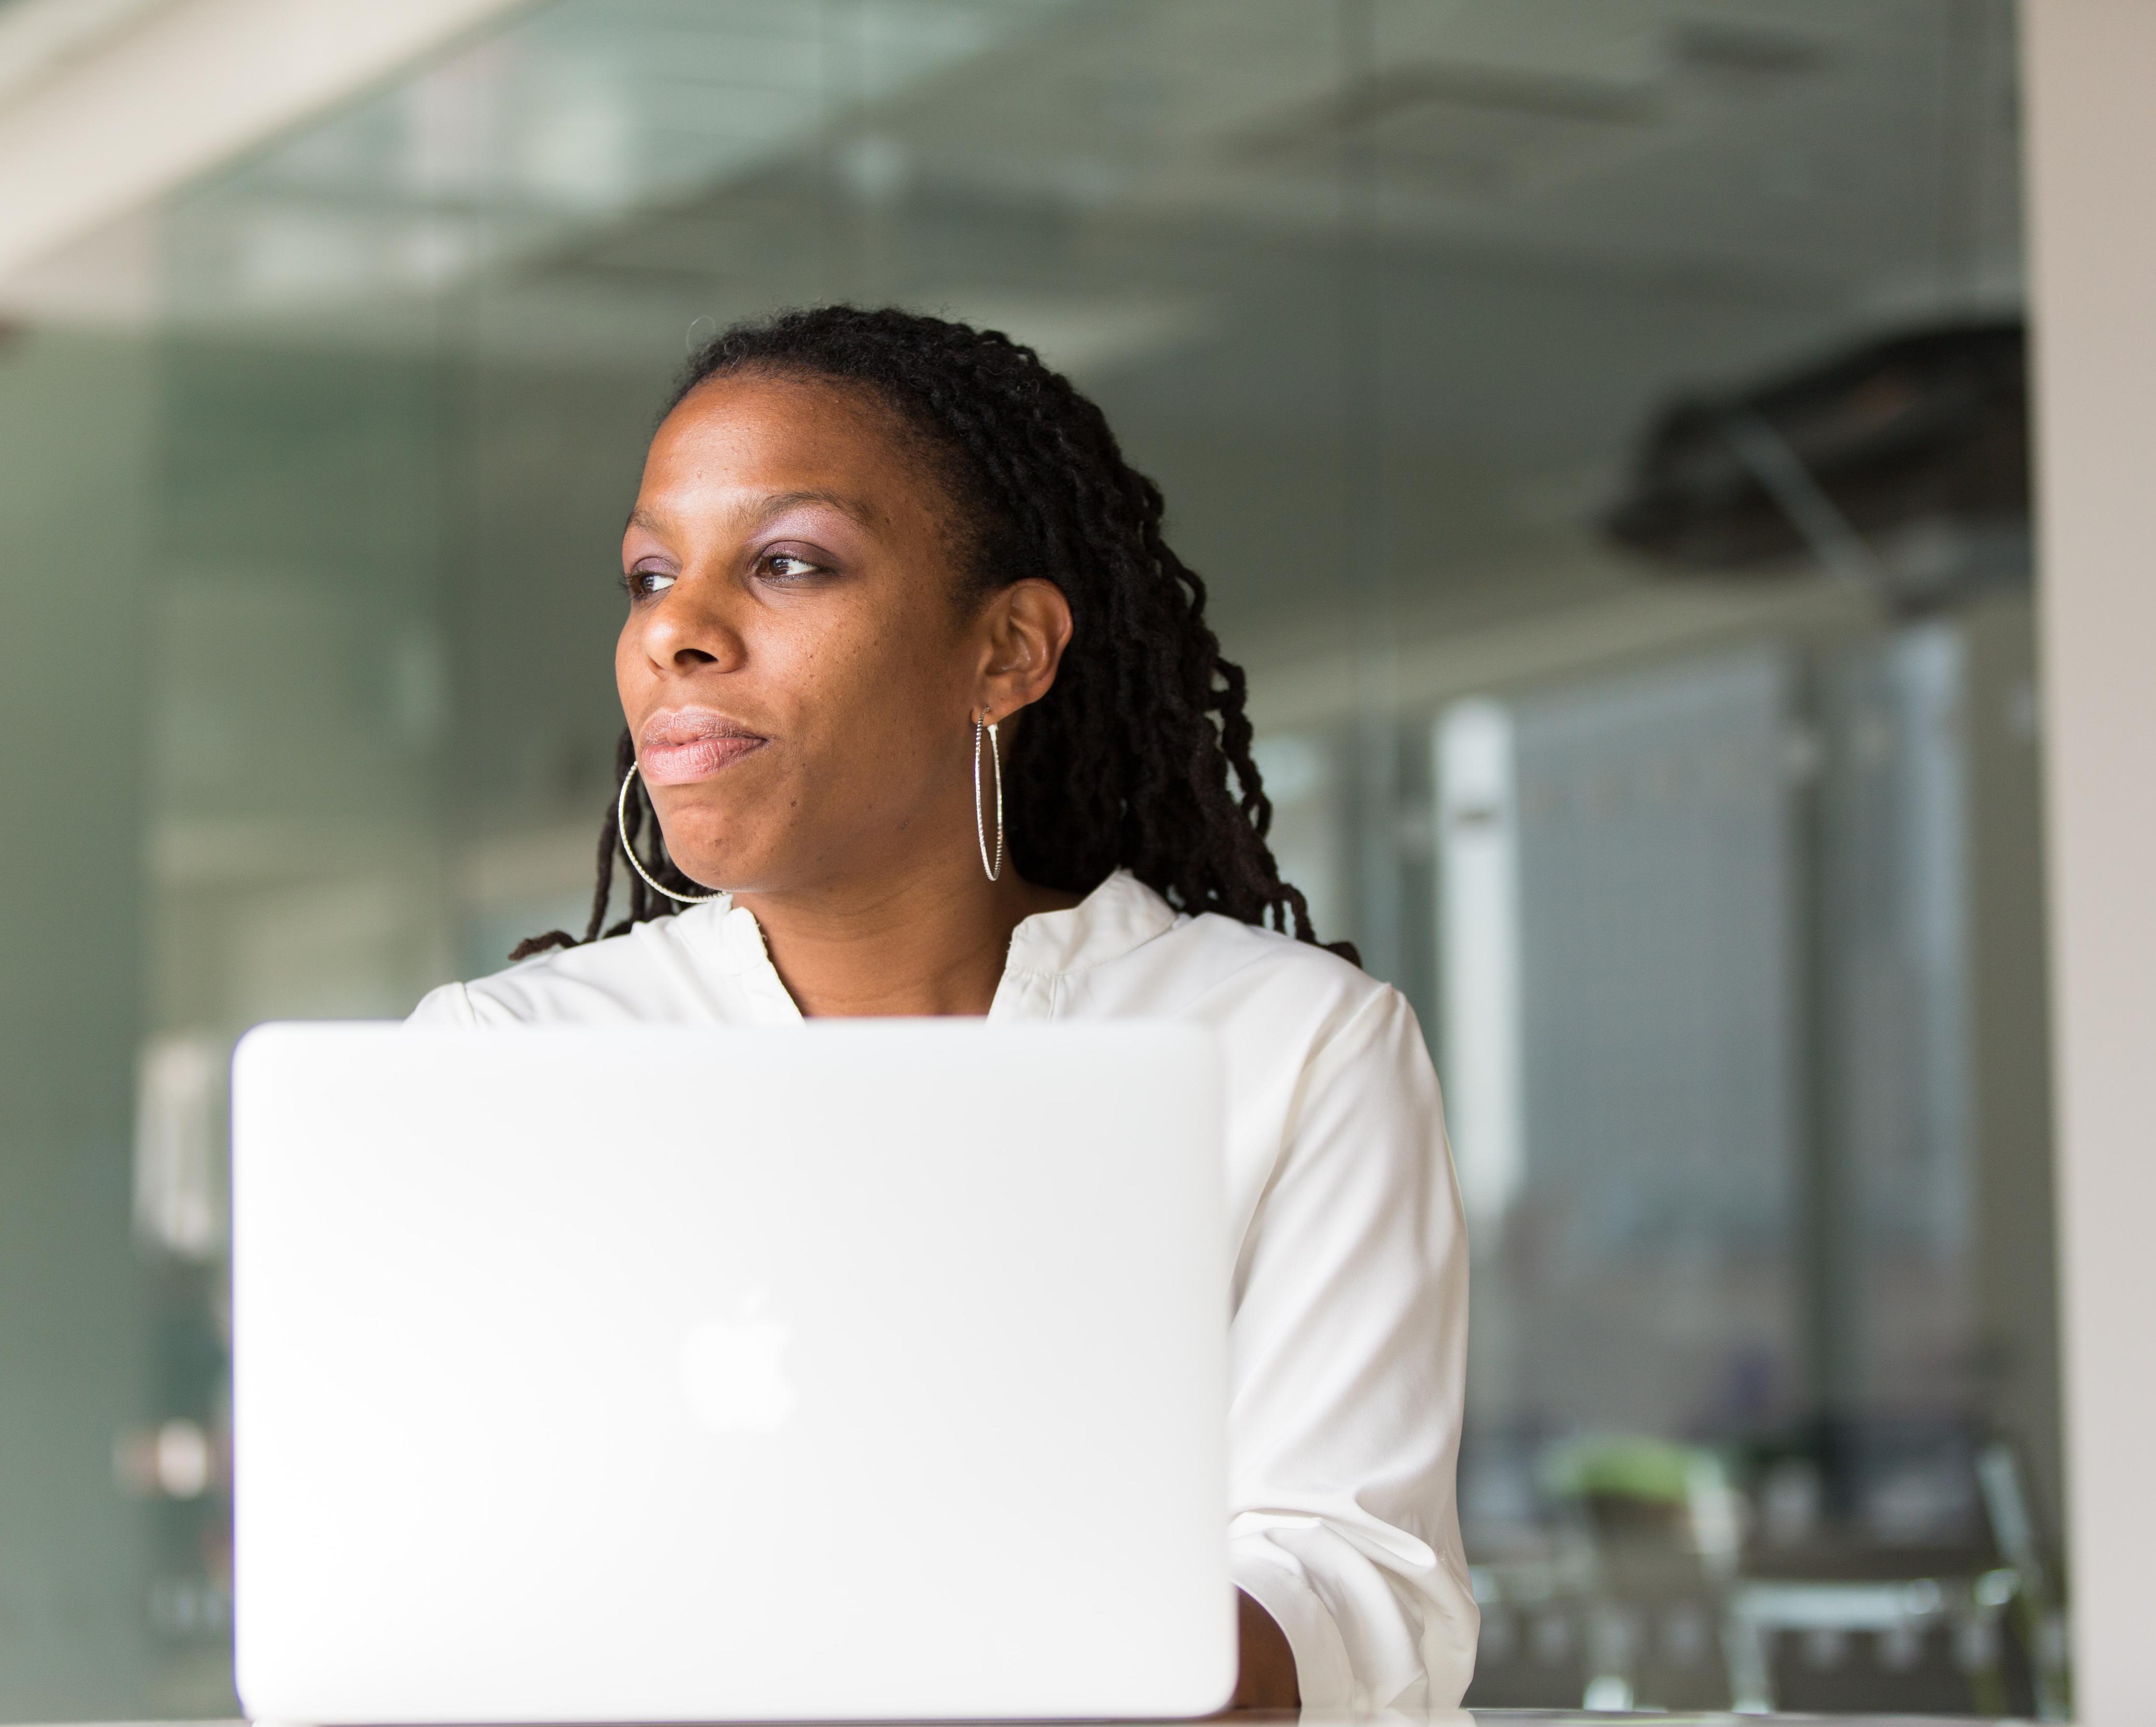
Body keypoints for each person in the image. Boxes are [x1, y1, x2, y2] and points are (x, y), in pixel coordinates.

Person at [411, 306, 1475, 1714]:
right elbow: (421, 1578)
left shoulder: (1286, 1048)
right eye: (649, 573)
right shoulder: (505, 1065)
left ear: (1009, 650)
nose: (675, 627)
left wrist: (910, 1638)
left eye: (786, 562)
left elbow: (1356, 1586)